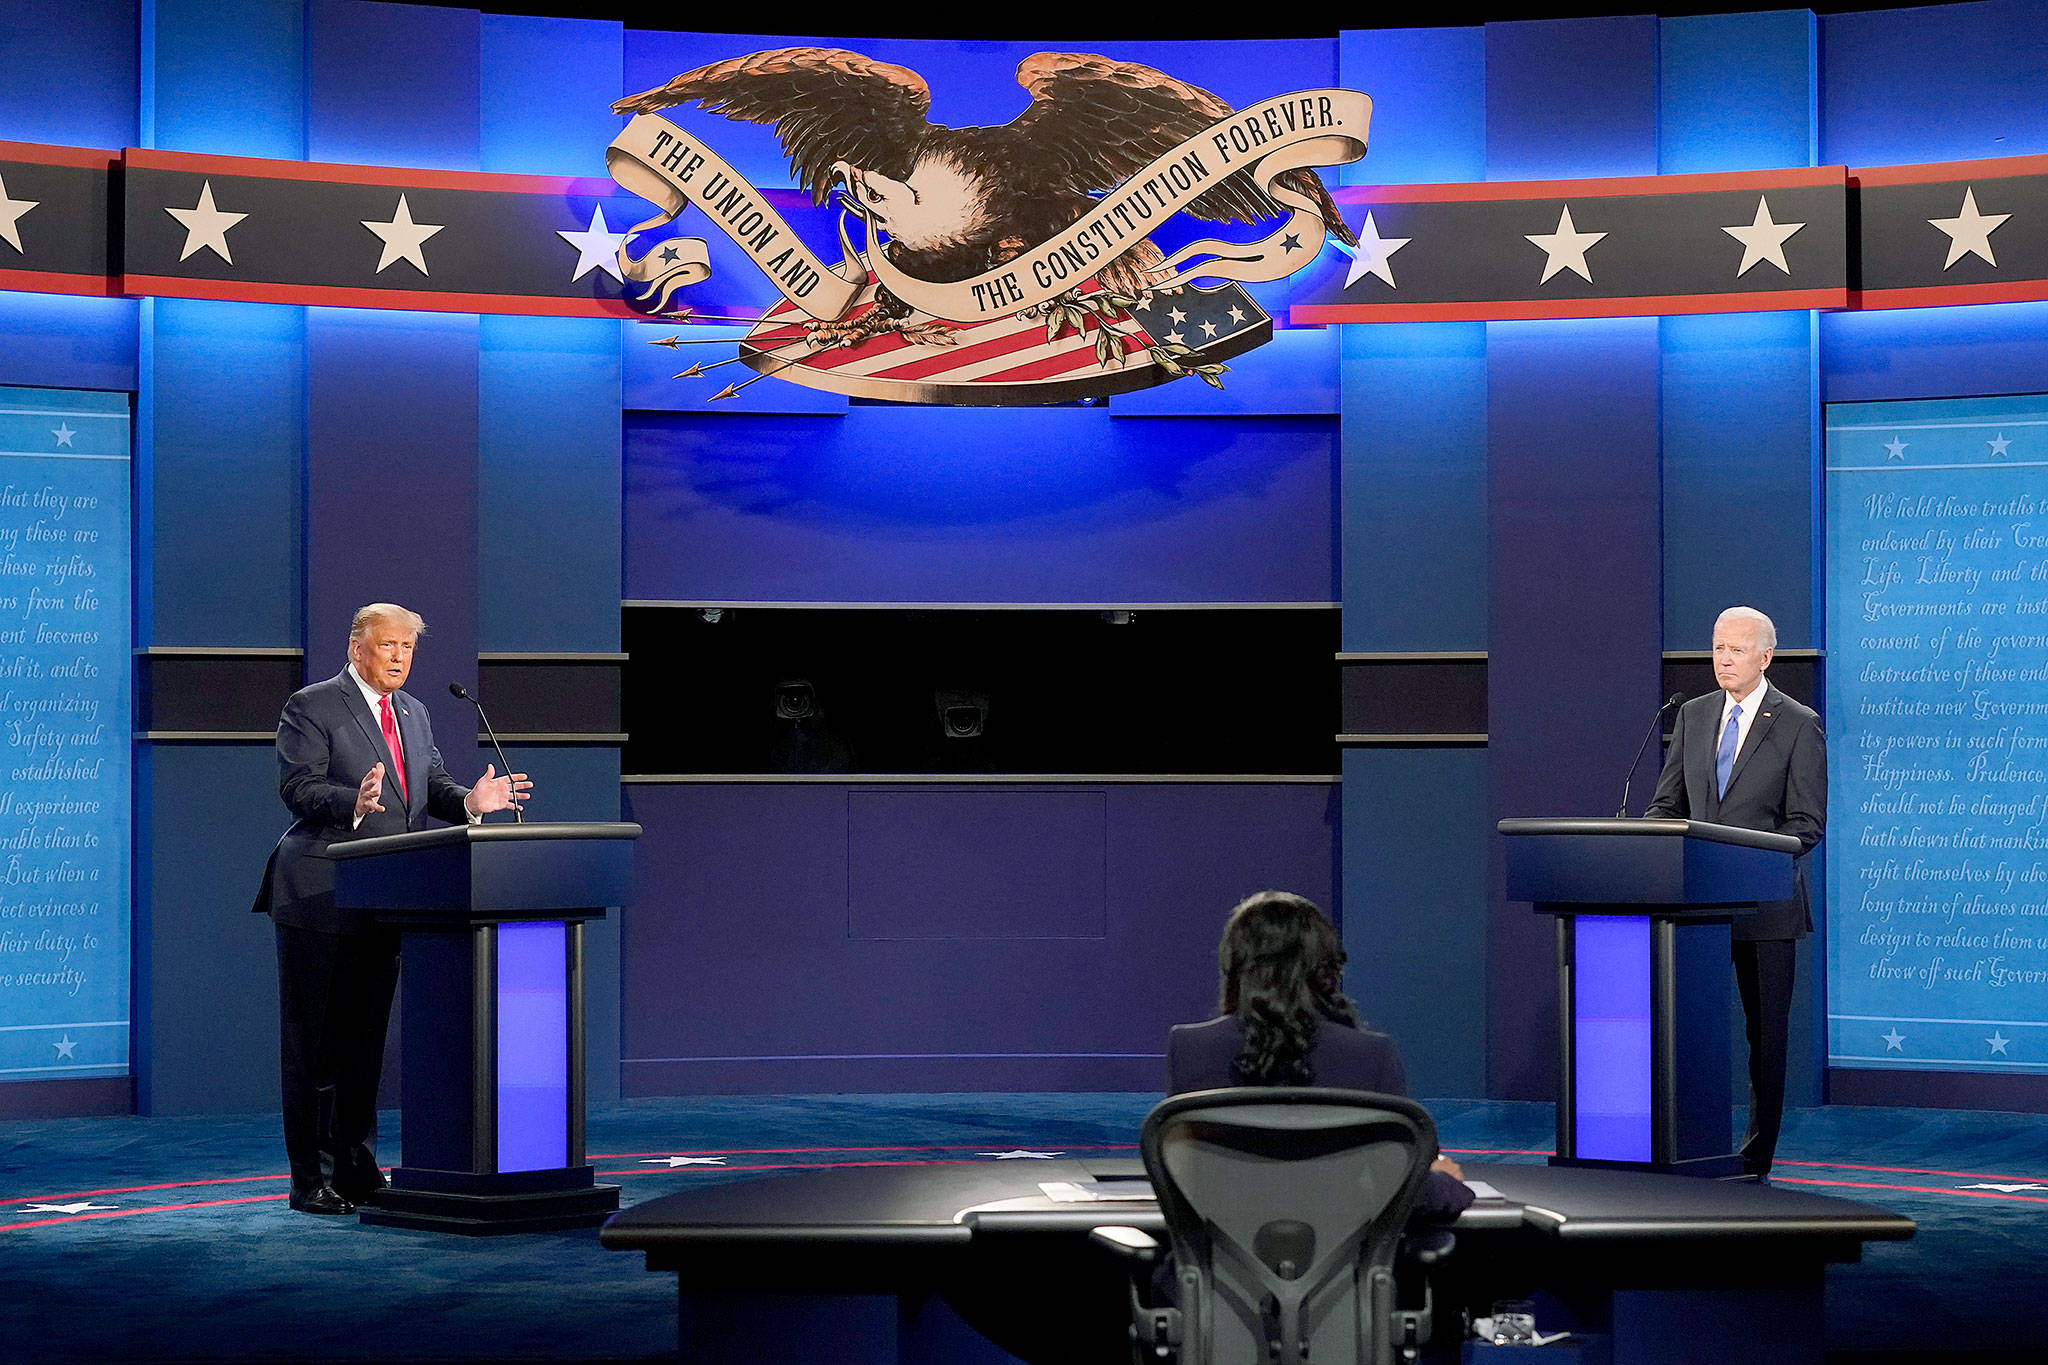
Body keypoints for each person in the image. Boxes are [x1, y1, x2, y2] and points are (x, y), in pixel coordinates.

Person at [251, 604, 531, 1215]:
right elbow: (297, 786)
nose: (400, 657)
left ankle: (356, 1164)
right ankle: (311, 1179)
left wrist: (473, 802)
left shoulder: (415, 713)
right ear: (357, 647)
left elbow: (430, 787)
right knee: (317, 1047)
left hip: (387, 896)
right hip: (320, 894)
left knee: (363, 1045)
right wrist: (354, 800)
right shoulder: (312, 704)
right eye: (388, 646)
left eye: (408, 647)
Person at [1644, 605, 1825, 1179]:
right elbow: (1667, 805)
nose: (1724, 658)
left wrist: (1743, 857)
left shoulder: (1797, 722)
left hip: (1765, 909)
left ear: (1765, 656)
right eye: (1718, 647)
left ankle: (1755, 1161)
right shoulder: (1694, 716)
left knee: (1764, 1042)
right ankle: (1685, 1145)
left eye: (1737, 649)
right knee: (1685, 1031)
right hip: (1694, 908)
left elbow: (1806, 824)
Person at [1168, 890, 1474, 1222]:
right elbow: (1407, 1194)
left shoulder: (1190, 1048)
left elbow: (1181, 1181)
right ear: (1326, 969)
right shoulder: (1371, 1055)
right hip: (1343, 1271)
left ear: (1234, 966)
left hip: (1217, 1269)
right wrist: (1446, 1183)